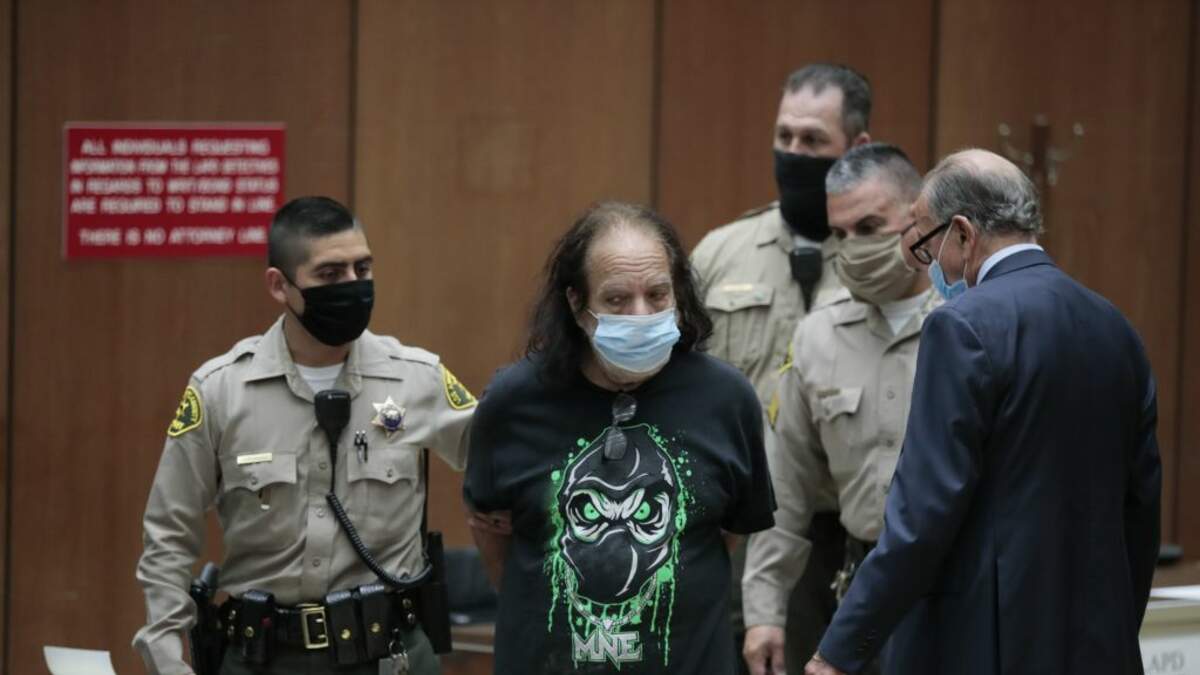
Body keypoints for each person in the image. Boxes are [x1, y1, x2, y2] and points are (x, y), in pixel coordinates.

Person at [805, 149, 1162, 675]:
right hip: (1099, 643)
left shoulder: (961, 326)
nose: (928, 265)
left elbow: (922, 516)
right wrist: (1114, 625)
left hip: (983, 644)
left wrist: (840, 650)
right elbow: (1141, 508)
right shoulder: (1116, 327)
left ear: (963, 234)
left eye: (927, 244)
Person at [134, 196, 476, 675]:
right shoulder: (221, 391)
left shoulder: (418, 380)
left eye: (362, 269)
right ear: (280, 285)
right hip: (263, 657)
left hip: (389, 654)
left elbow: (503, 466)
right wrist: (167, 657)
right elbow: (169, 534)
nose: (353, 285)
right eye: (330, 274)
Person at [463, 201, 776, 674]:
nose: (641, 314)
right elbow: (490, 529)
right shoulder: (512, 401)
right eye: (616, 300)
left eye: (657, 295)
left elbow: (728, 531)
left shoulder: (727, 399)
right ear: (576, 303)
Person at [690, 62, 873, 673]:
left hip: (848, 530)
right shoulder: (720, 254)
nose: (795, 153)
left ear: (857, 147)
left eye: (814, 140)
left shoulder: (886, 260)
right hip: (739, 531)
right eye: (785, 136)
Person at [742, 143, 938, 675]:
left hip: (955, 590)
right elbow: (785, 486)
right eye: (840, 234)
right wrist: (764, 612)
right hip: (860, 594)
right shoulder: (817, 336)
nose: (853, 247)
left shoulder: (973, 322)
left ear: (920, 220)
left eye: (870, 227)